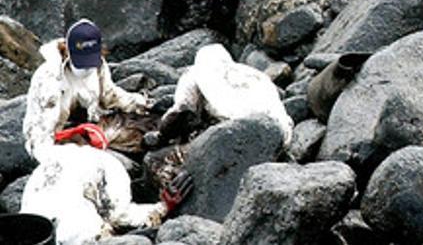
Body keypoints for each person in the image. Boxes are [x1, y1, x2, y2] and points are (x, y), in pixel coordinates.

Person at [23, 20, 149, 165]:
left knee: (145, 129)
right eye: (82, 61)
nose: (87, 67)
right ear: (68, 52)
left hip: (91, 126)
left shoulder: (99, 66)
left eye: (90, 60)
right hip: (56, 137)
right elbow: (39, 135)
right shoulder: (49, 79)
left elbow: (110, 96)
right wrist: (53, 160)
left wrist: (140, 103)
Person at [21, 144, 191, 245]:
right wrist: (162, 208)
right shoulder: (107, 167)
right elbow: (120, 215)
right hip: (74, 230)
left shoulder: (45, 170)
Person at [148, 44, 293, 147]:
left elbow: (181, 108)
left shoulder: (196, 74)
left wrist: (162, 135)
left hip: (236, 135)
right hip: (280, 133)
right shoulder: (256, 76)